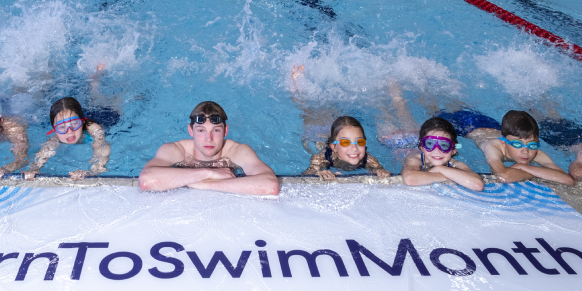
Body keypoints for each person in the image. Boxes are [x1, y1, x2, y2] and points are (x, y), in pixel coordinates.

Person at [139, 101, 279, 195]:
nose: (208, 138)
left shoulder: (238, 152)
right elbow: (146, 181)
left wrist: (206, 185)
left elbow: (270, 186)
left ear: (225, 131)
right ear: (190, 131)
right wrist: (208, 173)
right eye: (201, 131)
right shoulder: (175, 150)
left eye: (216, 130)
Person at [469, 110, 574, 185]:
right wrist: (538, 174)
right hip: (469, 125)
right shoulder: (492, 148)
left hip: (496, 128)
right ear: (503, 142)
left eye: (532, 145)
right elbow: (503, 176)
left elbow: (567, 180)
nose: (525, 151)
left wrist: (523, 167)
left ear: (537, 143)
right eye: (517, 144)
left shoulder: (536, 152)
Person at [24, 97, 111, 180]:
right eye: (61, 127)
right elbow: (42, 156)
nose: (69, 131)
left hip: (107, 117)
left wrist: (89, 172)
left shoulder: (93, 130)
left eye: (74, 123)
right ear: (55, 131)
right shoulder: (56, 139)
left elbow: (102, 152)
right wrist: (33, 169)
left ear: (82, 122)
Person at [401, 117, 484, 191]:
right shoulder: (414, 158)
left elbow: (477, 185)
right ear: (422, 147)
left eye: (444, 145)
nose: (437, 151)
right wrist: (450, 177)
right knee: (406, 126)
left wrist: (439, 169)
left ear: (453, 151)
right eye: (430, 144)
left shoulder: (455, 164)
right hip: (402, 146)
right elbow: (410, 179)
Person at [302, 116, 391, 179]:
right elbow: (306, 175)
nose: (354, 148)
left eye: (360, 142)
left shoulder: (369, 160)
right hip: (318, 137)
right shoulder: (321, 158)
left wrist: (379, 171)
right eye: (345, 142)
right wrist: (317, 174)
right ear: (334, 147)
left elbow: (380, 169)